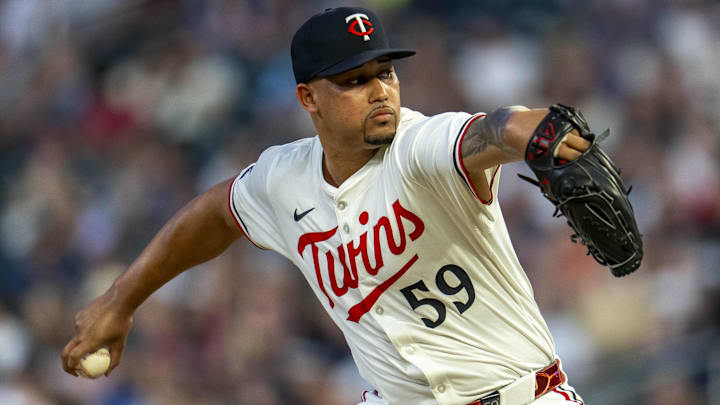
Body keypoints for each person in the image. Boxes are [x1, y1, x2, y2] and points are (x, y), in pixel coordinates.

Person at [62, 7, 592, 405]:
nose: (380, 91)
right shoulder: (282, 178)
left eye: (385, 72)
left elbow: (493, 129)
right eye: (354, 81)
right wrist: (121, 298)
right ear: (307, 98)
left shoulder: (419, 147)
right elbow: (217, 212)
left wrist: (537, 130)